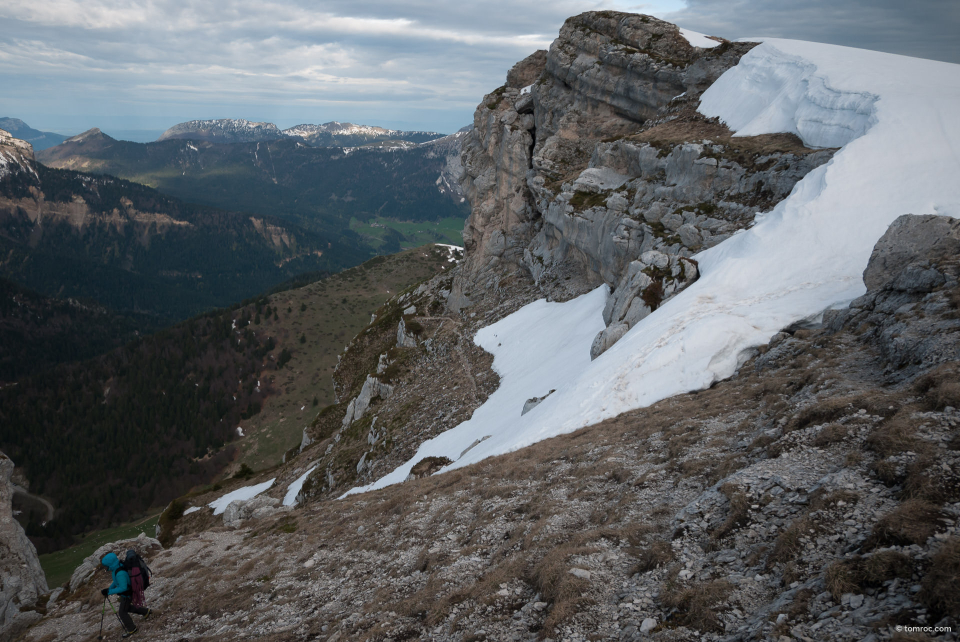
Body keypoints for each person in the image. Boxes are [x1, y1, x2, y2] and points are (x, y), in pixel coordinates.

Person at [101, 552, 151, 637]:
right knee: (127, 608)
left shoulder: (120, 573)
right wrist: (109, 589)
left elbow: (123, 587)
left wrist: (109, 592)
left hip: (127, 594)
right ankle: (146, 612)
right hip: (127, 593)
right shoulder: (116, 568)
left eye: (105, 566)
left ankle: (132, 629)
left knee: (122, 612)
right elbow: (116, 581)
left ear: (110, 564)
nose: (105, 568)